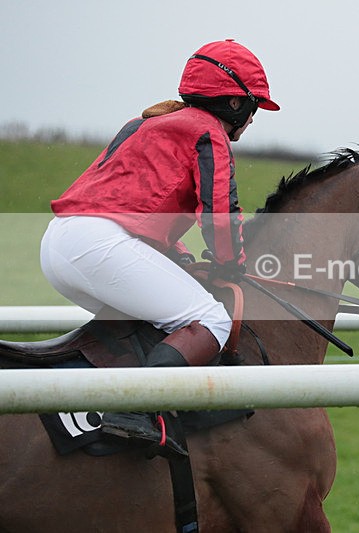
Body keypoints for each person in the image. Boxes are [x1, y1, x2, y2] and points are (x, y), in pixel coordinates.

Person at [39, 39, 279, 455]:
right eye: (253, 105)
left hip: (59, 243)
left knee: (161, 319)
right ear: (235, 105)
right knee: (210, 319)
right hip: (100, 245)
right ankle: (135, 412)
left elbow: (133, 204)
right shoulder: (209, 134)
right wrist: (230, 265)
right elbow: (220, 213)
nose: (254, 117)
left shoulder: (143, 123)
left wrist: (182, 258)